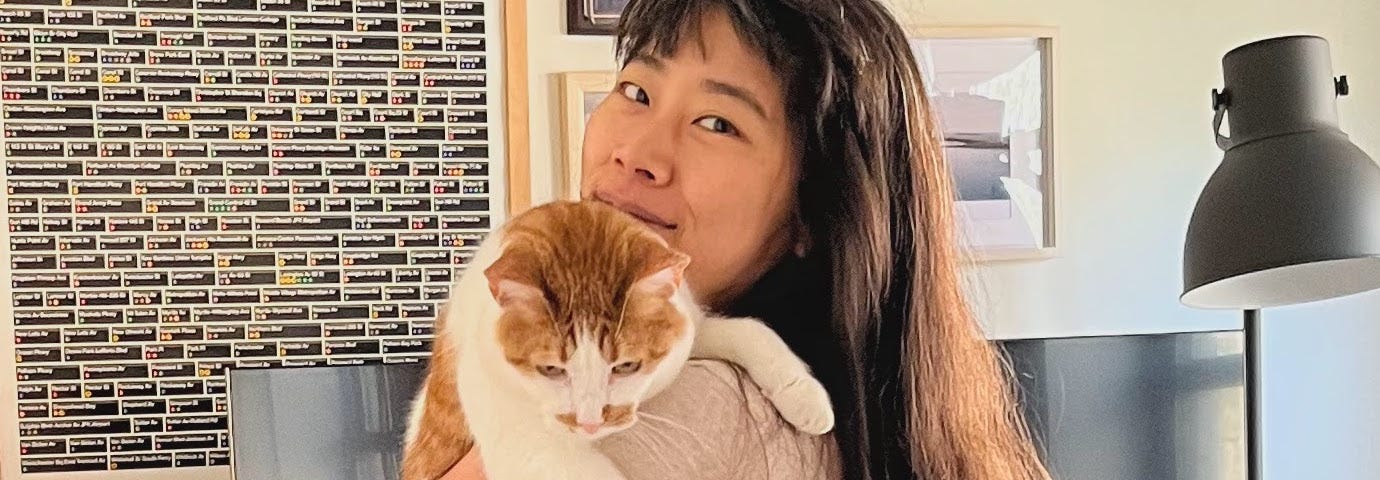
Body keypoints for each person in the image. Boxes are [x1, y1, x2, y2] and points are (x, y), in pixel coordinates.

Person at [441, 0, 1051, 478]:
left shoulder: (681, 414)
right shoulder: (863, 411)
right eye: (636, 92)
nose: (635, 154)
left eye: (717, 123)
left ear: (813, 212)